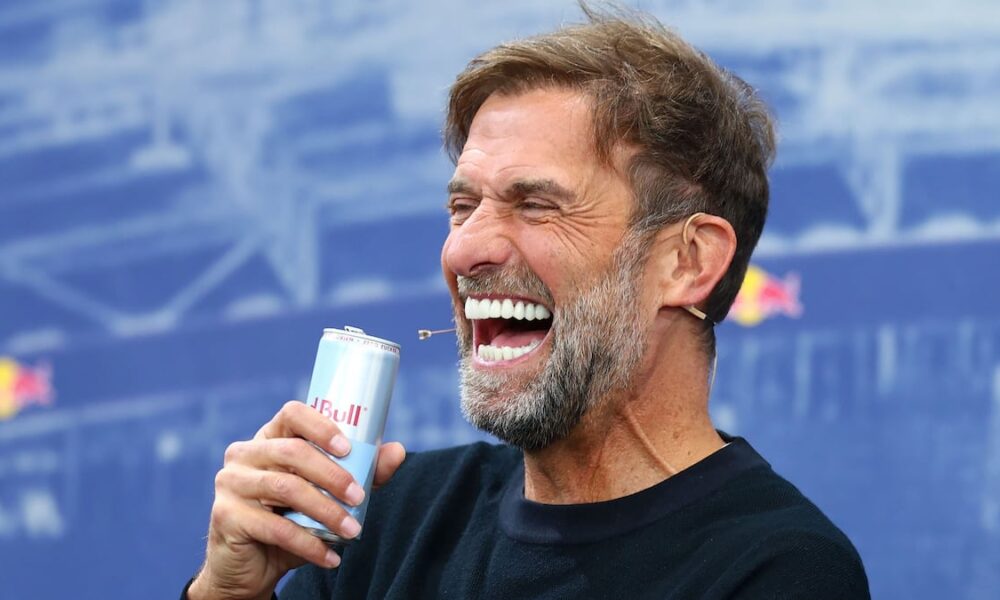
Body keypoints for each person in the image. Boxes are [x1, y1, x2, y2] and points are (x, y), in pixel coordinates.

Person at [184, 7, 870, 600]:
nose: (464, 251)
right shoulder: (386, 519)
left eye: (537, 205)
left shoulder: (779, 569)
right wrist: (229, 591)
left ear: (687, 261)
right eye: (463, 206)